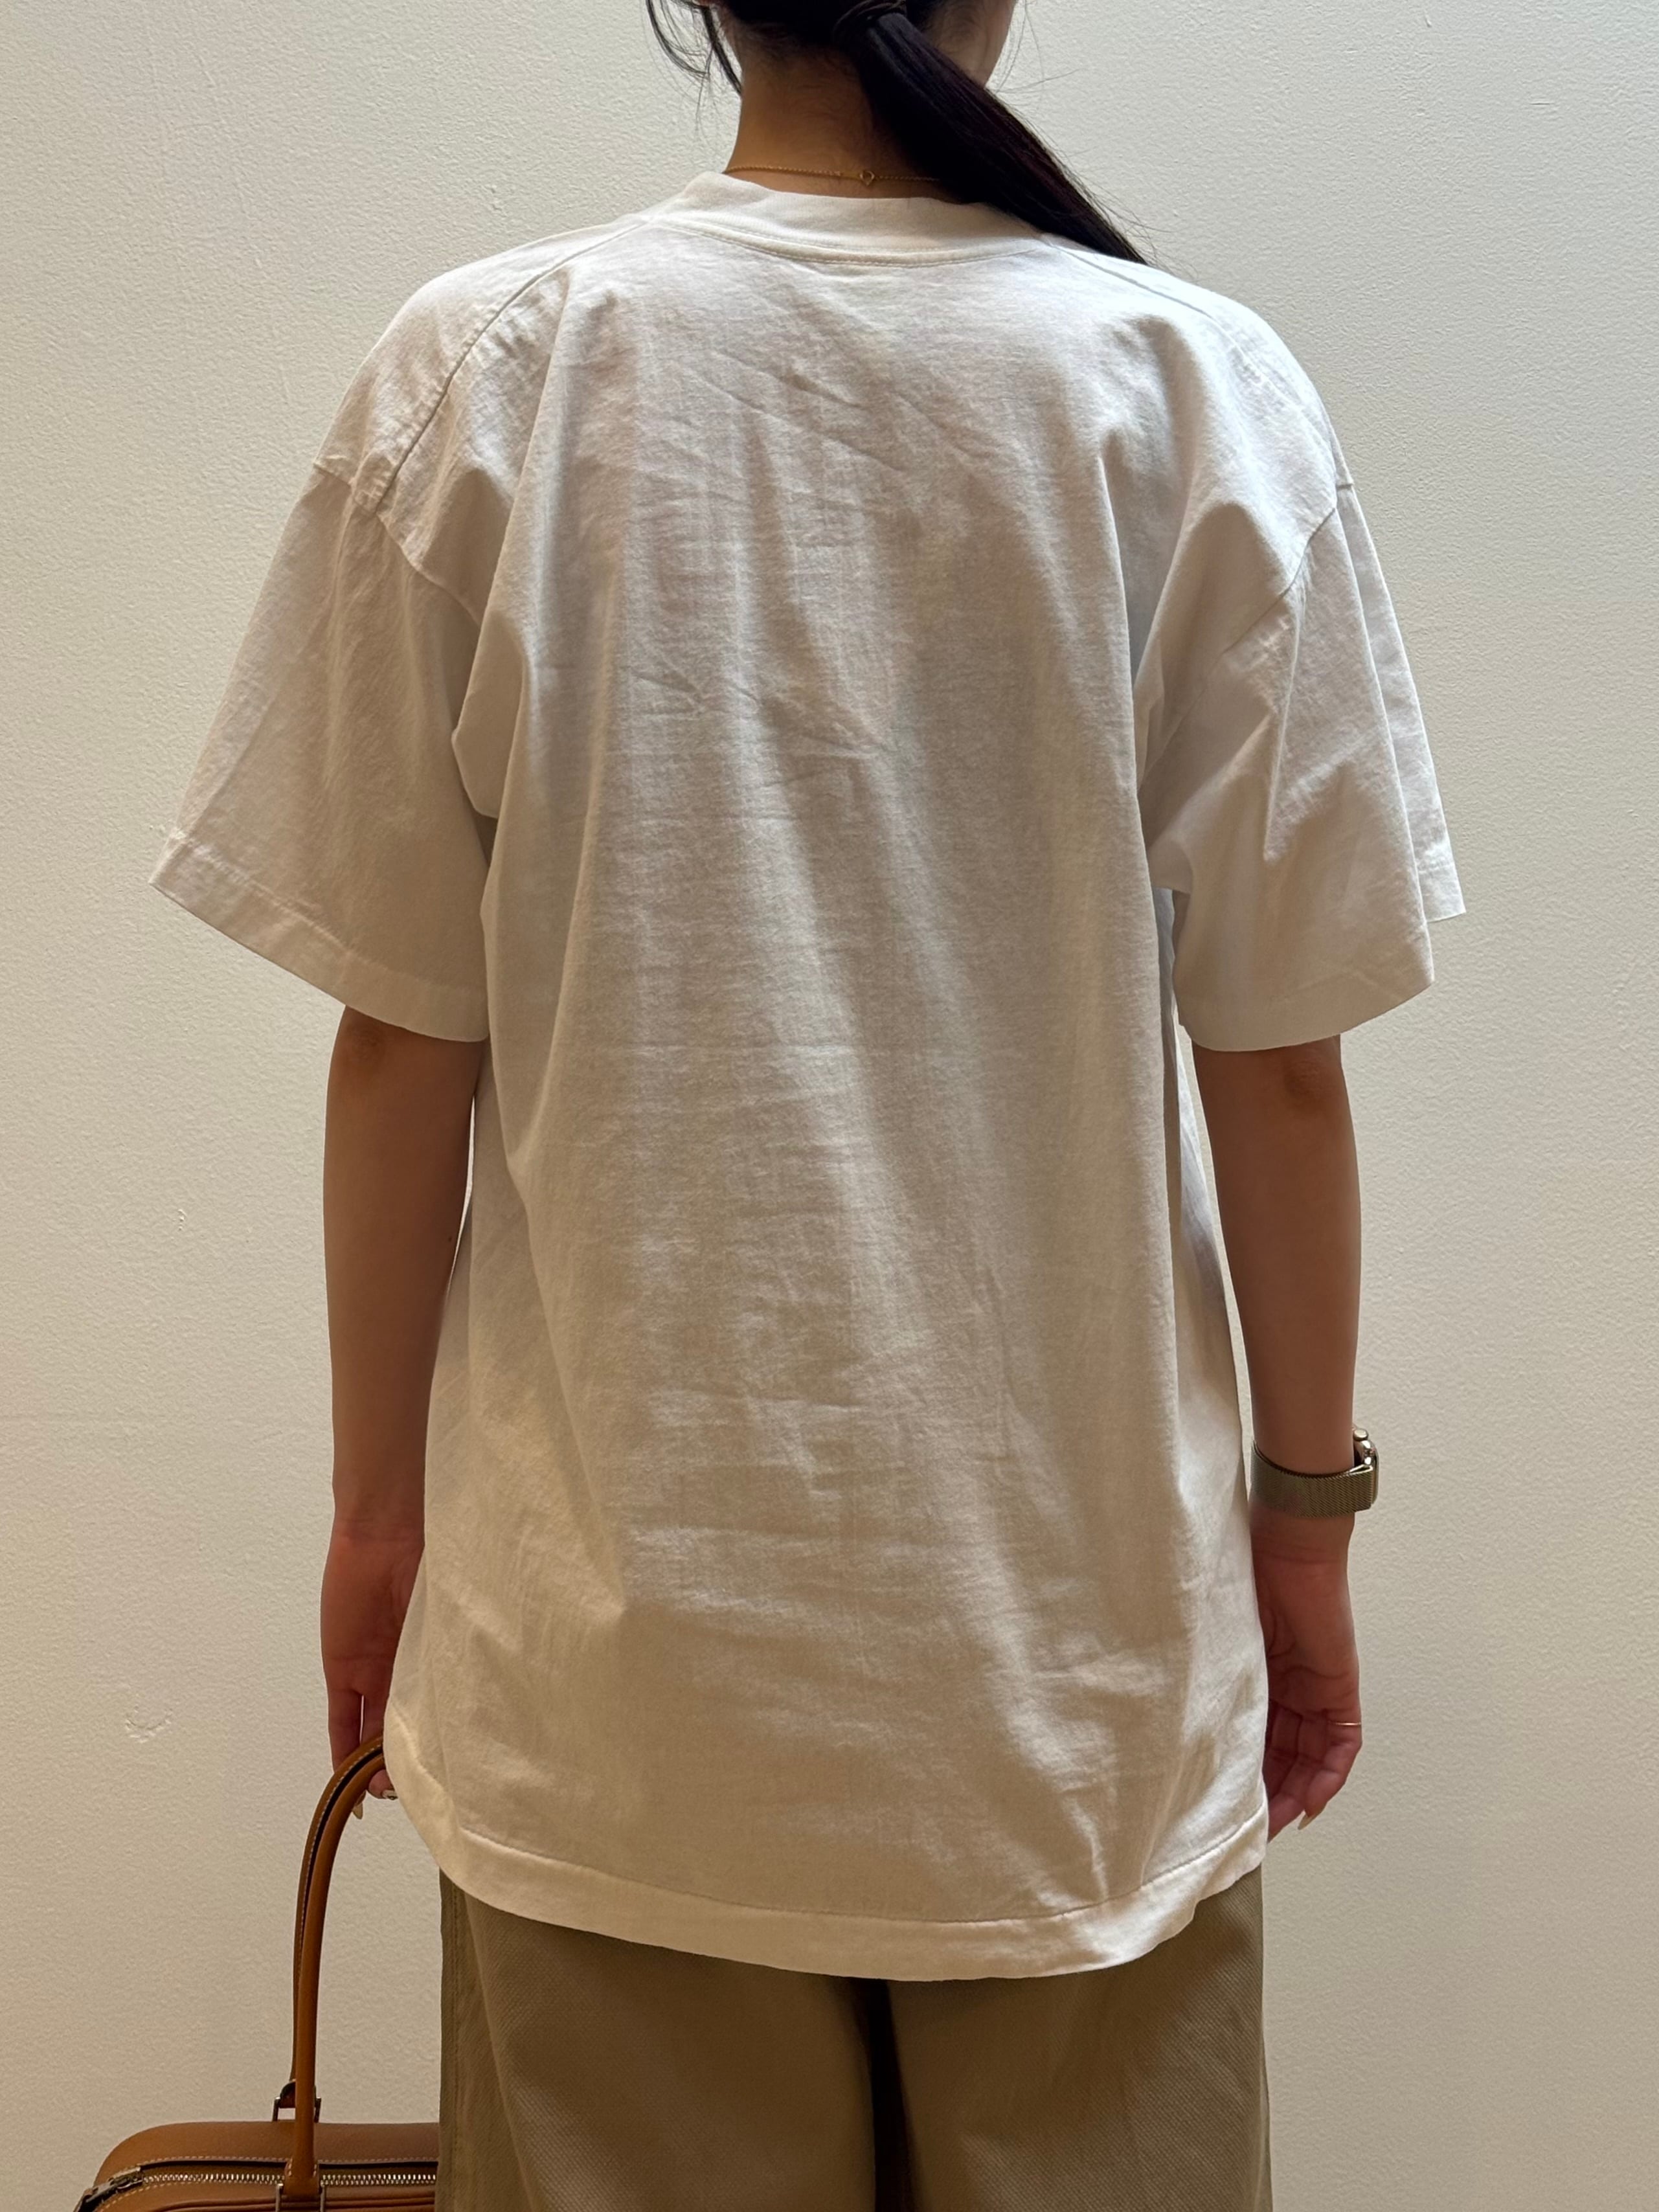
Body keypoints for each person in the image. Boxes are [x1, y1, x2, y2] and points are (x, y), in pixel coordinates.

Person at [148, 1, 1464, 2204]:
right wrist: (1303, 1526)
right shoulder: (1186, 388)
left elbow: (403, 1044)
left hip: (613, 1689)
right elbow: (1280, 1068)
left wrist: (379, 1526)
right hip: (1073, 1694)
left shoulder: (490, 372)